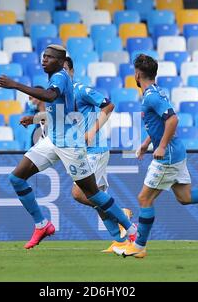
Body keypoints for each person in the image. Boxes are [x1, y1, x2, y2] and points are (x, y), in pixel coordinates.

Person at [0, 45, 137, 249]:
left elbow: (50, 97)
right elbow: (59, 111)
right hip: (53, 140)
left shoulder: (60, 77)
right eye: (43, 57)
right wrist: (35, 118)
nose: (44, 60)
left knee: (91, 193)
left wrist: (14, 84)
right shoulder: (56, 79)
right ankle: (42, 224)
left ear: (61, 63)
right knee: (16, 178)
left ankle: (130, 230)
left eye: (50, 58)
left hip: (70, 143)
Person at [113, 54, 198, 259]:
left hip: (168, 156)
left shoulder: (152, 96)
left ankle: (138, 247)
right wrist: (147, 143)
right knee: (185, 197)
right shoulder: (156, 92)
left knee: (144, 198)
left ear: (137, 74)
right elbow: (160, 122)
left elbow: (172, 120)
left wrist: (162, 146)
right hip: (177, 152)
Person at [63, 57, 134, 253]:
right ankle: (120, 241)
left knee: (79, 193)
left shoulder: (81, 90)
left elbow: (108, 106)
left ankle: (121, 214)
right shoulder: (60, 96)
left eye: (64, 69)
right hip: (81, 151)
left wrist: (92, 131)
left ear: (71, 71)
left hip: (95, 149)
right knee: (97, 198)